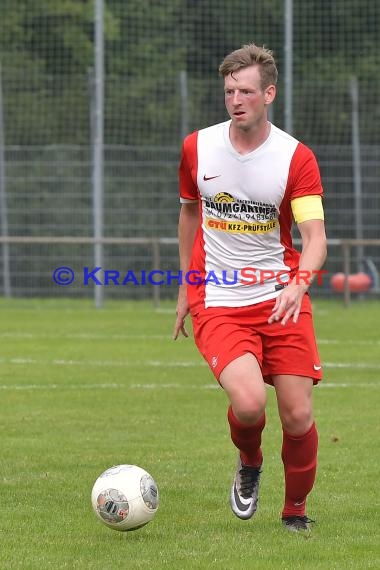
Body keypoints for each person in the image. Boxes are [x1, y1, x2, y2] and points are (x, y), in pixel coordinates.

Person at [173, 43, 327, 533]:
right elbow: (190, 213)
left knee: (299, 414)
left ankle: (295, 511)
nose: (236, 100)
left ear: (269, 94)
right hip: (217, 298)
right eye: (229, 91)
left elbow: (315, 238)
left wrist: (299, 285)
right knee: (248, 404)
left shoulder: (295, 158)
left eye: (246, 91)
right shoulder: (197, 147)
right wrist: (186, 285)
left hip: (282, 297)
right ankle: (250, 462)